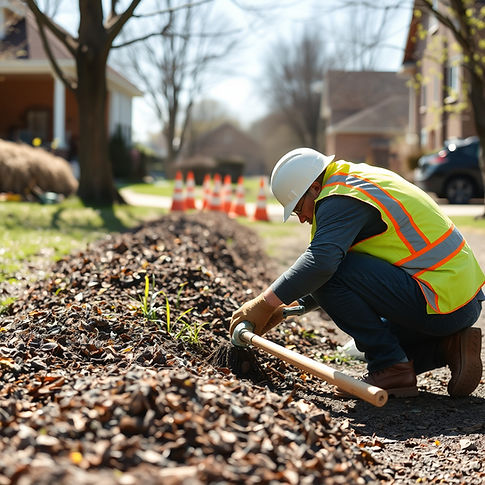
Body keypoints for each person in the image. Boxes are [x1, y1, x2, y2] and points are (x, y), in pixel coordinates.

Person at [230, 148, 484, 398]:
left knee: (333, 278)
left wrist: (264, 302)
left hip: (440, 303)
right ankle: (449, 347)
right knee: (382, 335)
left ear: (315, 189)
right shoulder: (354, 182)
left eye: (298, 208)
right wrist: (288, 307)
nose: (302, 218)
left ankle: (391, 367)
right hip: (458, 300)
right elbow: (349, 273)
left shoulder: (339, 200)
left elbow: (322, 266)